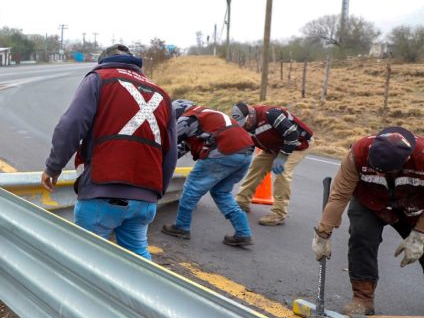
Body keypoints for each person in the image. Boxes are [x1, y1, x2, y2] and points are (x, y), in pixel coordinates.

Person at [40, 44, 177, 260]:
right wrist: (155, 193)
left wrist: (53, 167)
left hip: (103, 192)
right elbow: (170, 154)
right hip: (145, 198)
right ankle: (139, 294)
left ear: (103, 61)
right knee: (137, 259)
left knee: (88, 259)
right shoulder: (162, 95)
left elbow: (71, 124)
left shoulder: (99, 78)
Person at [312, 127, 424, 316]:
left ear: (404, 161)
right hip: (369, 201)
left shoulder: (421, 156)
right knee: (361, 238)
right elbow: (339, 195)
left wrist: (420, 233)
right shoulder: (358, 153)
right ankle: (362, 299)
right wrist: (323, 233)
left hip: (412, 204)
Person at [161, 100, 256, 247]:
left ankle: (181, 227)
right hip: (245, 153)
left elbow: (168, 146)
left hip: (223, 152)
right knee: (221, 192)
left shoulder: (187, 118)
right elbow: (180, 149)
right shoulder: (208, 116)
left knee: (191, 187)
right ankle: (243, 232)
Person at [230, 102, 313, 226]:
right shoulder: (244, 125)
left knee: (283, 172)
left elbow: (292, 135)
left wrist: (282, 156)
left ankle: (278, 213)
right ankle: (242, 201)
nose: (244, 126)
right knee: (257, 165)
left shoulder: (271, 114)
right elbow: (249, 142)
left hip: (298, 144)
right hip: (274, 146)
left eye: (245, 122)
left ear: (251, 115)